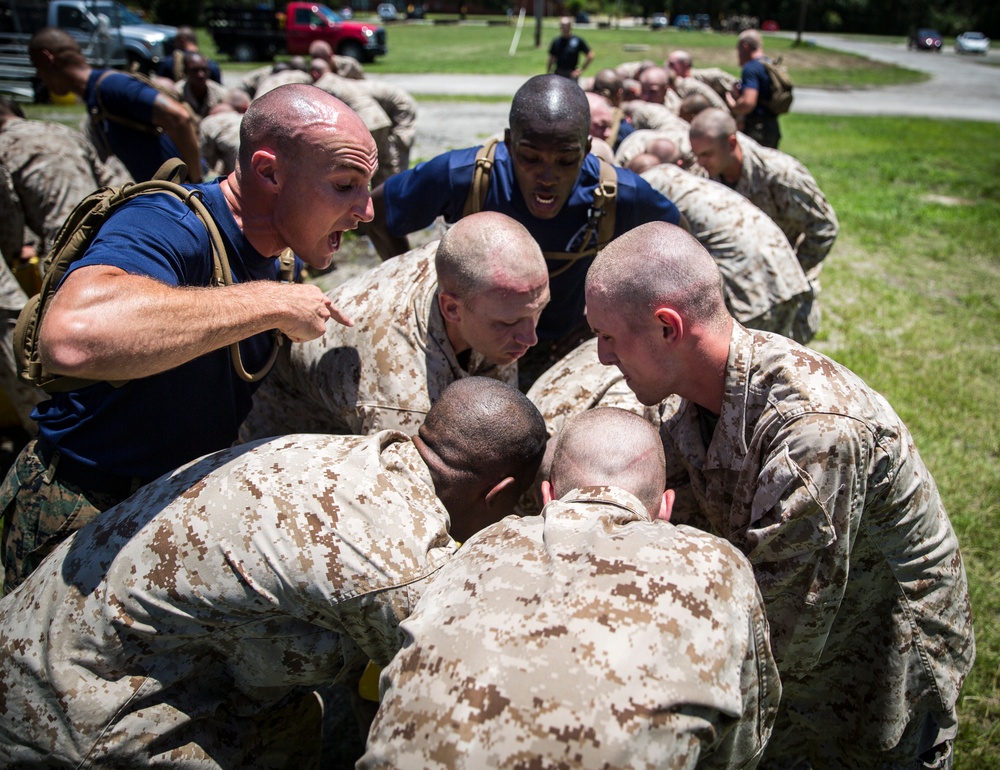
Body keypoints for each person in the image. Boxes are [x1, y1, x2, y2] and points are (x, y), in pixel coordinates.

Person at [0, 378, 549, 769]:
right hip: (77, 713)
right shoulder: (397, 563)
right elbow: (472, 695)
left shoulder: (352, 454)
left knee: (292, 720)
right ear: (498, 493)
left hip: (38, 628)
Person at [584, 222, 975, 768]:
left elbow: (778, 638)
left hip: (884, 671)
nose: (601, 357)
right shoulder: (697, 395)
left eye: (609, 337)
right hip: (807, 653)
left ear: (667, 327)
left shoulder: (813, 434)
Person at [0, 84, 378, 594]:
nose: (366, 210)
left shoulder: (277, 249)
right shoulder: (168, 221)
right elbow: (74, 337)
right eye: (344, 184)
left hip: (170, 501)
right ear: (269, 172)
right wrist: (274, 303)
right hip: (83, 508)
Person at [360, 407, 781, 770]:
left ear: (548, 496)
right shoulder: (718, 565)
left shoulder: (481, 545)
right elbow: (743, 740)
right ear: (665, 508)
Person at [367, 75, 681, 385]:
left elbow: (676, 243)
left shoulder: (616, 194)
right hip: (476, 347)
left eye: (566, 160)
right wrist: (411, 278)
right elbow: (376, 213)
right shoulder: (466, 178)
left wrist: (611, 314)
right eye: (530, 157)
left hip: (560, 351)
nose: (547, 175)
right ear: (509, 142)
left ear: (586, 149)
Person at [239, 212, 549, 442]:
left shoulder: (476, 267)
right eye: (508, 323)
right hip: (299, 439)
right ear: (451, 308)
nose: (531, 337)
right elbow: (408, 502)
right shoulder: (400, 395)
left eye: (538, 311)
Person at [689, 108, 839, 342]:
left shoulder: (781, 176)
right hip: (739, 278)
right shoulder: (705, 173)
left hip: (788, 275)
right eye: (696, 154)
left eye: (707, 154)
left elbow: (824, 227)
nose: (700, 162)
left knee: (792, 345)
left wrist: (794, 267)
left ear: (731, 143)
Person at [635, 153, 814, 342]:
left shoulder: (644, 189)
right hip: (787, 272)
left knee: (742, 364)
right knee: (775, 357)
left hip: (749, 288)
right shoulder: (682, 179)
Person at [28, 27, 202, 184]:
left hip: (187, 192)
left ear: (47, 58)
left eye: (37, 67)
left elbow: (179, 117)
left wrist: (195, 182)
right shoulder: (96, 96)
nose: (39, 77)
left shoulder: (111, 85)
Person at [0, 95, 129, 258]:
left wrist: (13, 250)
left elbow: (10, 221)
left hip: (63, 245)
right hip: (110, 232)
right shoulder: (62, 130)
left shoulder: (4, 148)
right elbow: (110, 178)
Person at [727, 29, 781, 148]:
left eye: (738, 50)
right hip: (772, 126)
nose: (738, 55)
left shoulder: (751, 68)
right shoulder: (769, 64)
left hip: (756, 130)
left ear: (745, 46)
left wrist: (732, 104)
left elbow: (748, 103)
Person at [198, 91, 250, 178]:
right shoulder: (249, 121)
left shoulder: (210, 122)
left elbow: (204, 164)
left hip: (242, 176)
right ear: (245, 108)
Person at [157, 25, 222, 84]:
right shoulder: (210, 63)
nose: (175, 44)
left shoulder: (169, 62)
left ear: (182, 39)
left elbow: (161, 86)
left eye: (175, 41)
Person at [176, 51, 228, 120]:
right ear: (186, 71)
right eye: (195, 70)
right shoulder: (177, 93)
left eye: (204, 70)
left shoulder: (221, 94)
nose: (201, 75)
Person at [547, 17, 593, 81]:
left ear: (570, 26)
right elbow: (552, 57)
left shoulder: (577, 40)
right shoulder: (556, 41)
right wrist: (548, 72)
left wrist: (581, 70)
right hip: (558, 73)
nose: (564, 28)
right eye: (562, 26)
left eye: (566, 26)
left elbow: (590, 55)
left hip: (571, 74)